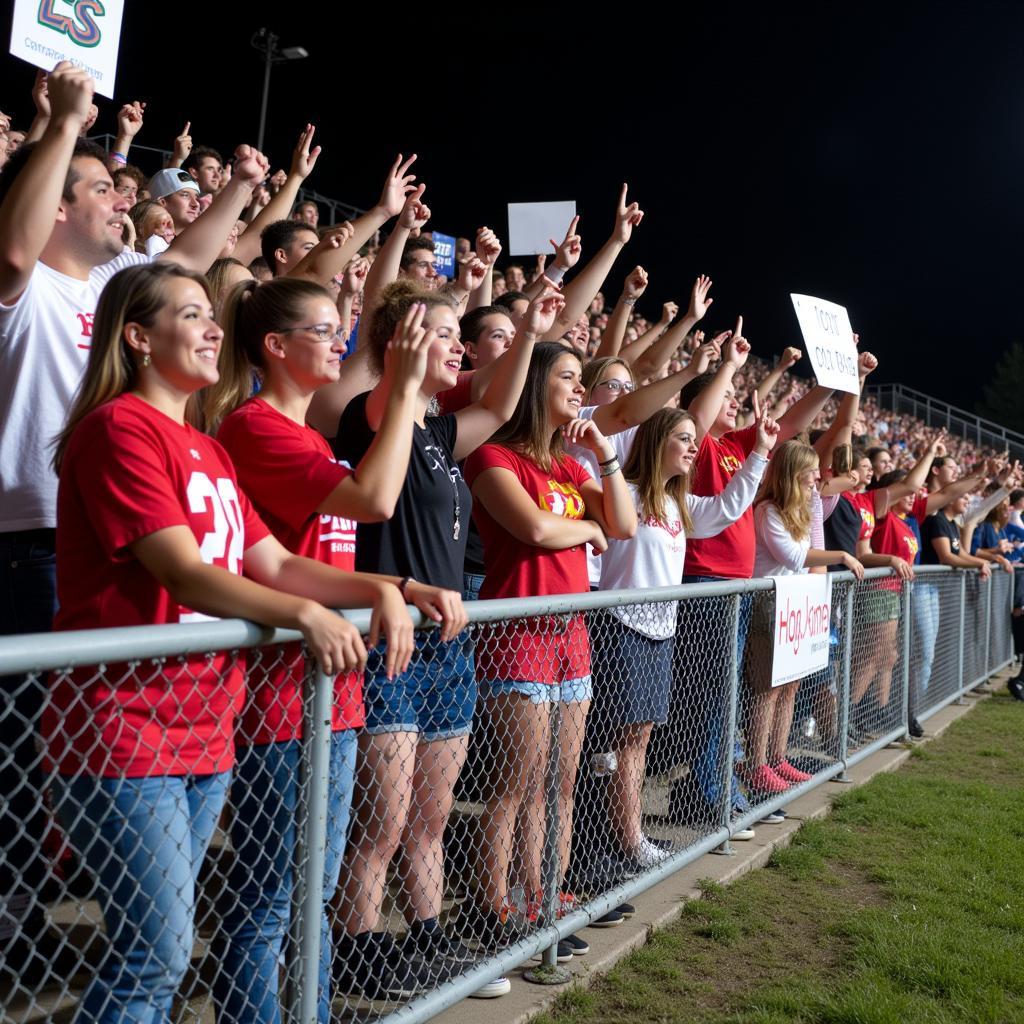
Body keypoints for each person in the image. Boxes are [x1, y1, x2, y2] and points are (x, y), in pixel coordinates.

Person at [44, 261, 416, 1023]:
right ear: (139, 338)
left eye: (211, 315)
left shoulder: (208, 446)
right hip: (125, 725)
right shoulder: (117, 427)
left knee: (158, 953)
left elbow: (273, 561)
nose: (214, 328)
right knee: (155, 954)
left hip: (202, 724)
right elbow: (181, 570)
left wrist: (384, 589)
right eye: (191, 315)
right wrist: (306, 615)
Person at [0, 62, 266, 967]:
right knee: (22, 758)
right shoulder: (27, 284)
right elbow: (12, 247)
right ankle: (18, 923)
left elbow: (187, 267)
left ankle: (49, 916)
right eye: (98, 191)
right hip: (24, 543)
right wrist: (65, 125)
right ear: (51, 205)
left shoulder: (114, 291)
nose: (119, 201)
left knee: (50, 769)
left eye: (121, 190)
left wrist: (243, 188)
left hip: (96, 533)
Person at [209, 278, 462, 1022]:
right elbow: (376, 502)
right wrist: (407, 385)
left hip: (332, 687)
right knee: (268, 899)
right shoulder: (255, 427)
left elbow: (332, 560)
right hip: (283, 696)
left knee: (308, 894)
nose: (341, 342)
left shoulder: (310, 437)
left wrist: (398, 585)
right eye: (323, 330)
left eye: (341, 327)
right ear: (275, 347)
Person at [330, 281, 561, 998]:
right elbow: (400, 401)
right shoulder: (377, 412)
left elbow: (495, 406)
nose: (459, 346)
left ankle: (425, 935)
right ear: (402, 342)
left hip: (446, 645)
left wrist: (526, 332)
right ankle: (355, 950)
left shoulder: (434, 427)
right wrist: (403, 367)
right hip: (389, 639)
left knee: (427, 818)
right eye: (443, 333)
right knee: (382, 822)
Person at [462, 341, 637, 950]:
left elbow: (626, 525)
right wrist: (586, 527)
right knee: (516, 783)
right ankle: (494, 907)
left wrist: (606, 456)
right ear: (535, 385)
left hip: (571, 635)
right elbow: (533, 528)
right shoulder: (491, 455)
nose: (579, 389)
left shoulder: (569, 464)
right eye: (567, 377)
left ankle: (543, 900)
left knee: (559, 784)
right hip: (518, 636)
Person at [592, 401, 776, 863]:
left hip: (661, 631)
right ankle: (616, 840)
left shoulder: (677, 502)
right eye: (684, 439)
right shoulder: (625, 492)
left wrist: (760, 454)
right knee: (618, 739)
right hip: (620, 627)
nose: (694, 447)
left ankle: (629, 838)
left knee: (640, 737)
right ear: (657, 442)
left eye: (696, 439)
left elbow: (728, 508)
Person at [744, 441, 864, 795]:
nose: (818, 476)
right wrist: (841, 554)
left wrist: (812, 500)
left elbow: (811, 539)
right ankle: (756, 764)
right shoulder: (767, 510)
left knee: (790, 684)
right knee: (767, 689)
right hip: (768, 605)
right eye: (811, 471)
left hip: (792, 605)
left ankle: (777, 758)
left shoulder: (800, 506)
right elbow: (794, 556)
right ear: (792, 473)